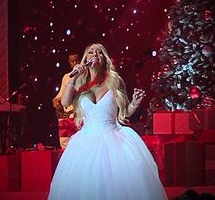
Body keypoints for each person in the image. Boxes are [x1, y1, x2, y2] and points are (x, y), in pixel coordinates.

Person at [48, 43, 167, 200]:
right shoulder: (80, 82)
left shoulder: (114, 81)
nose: (95, 54)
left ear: (104, 59)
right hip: (86, 141)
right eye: (91, 52)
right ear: (85, 59)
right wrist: (73, 79)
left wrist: (134, 104)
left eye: (99, 52)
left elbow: (125, 112)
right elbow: (65, 102)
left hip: (114, 139)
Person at [52, 53, 80, 148]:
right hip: (68, 115)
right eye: (72, 61)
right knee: (66, 145)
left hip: (80, 115)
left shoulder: (86, 75)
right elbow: (59, 95)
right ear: (69, 63)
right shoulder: (66, 77)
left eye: (77, 60)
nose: (75, 63)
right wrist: (55, 101)